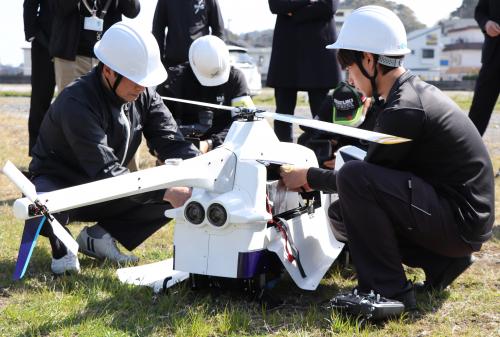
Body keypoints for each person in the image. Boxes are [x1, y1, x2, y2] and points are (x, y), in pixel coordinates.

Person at [280, 6, 495, 310]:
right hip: (461, 219)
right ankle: (442, 263)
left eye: (349, 68)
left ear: (369, 60)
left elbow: (364, 178)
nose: (350, 79)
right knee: (343, 212)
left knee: (354, 178)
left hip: (459, 221)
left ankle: (388, 290)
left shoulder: (403, 108)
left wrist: (309, 177)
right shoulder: (403, 95)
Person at [27, 22, 199, 275]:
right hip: (64, 186)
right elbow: (106, 171)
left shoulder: (145, 95)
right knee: (41, 206)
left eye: (146, 80)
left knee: (179, 191)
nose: (142, 87)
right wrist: (166, 190)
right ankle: (60, 240)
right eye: (136, 79)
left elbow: (172, 142)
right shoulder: (77, 102)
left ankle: (100, 237)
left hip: (107, 189)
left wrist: (201, 173)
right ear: (108, 70)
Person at [157, 35, 254, 153]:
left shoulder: (235, 79)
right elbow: (159, 125)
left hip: (226, 148)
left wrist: (212, 143)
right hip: (181, 149)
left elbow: (244, 120)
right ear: (193, 63)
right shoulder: (172, 82)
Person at [267, 0, 340, 142]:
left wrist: (294, 14)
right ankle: (281, 159)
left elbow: (329, 7)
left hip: (318, 51)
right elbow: (276, 5)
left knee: (322, 116)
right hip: (287, 49)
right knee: (283, 115)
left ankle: (322, 157)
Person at [49, 0, 140, 91]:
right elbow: (58, 7)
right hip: (71, 59)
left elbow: (133, 11)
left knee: (104, 104)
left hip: (106, 61)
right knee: (69, 103)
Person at [298, 81, 375, 169]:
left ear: (366, 103)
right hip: (336, 149)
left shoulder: (378, 111)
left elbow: (379, 152)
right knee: (304, 139)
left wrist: (347, 159)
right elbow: (314, 130)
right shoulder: (328, 104)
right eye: (343, 112)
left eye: (349, 112)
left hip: (361, 156)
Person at [23, 0, 56, 156]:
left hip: (74, 44)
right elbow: (30, 4)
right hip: (44, 43)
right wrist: (32, 35)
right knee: (39, 101)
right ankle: (36, 154)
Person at [152, 0, 224, 68]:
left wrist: (217, 60)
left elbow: (218, 30)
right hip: (173, 64)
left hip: (202, 65)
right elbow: (157, 30)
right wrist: (159, 61)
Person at [468, 0, 500, 136]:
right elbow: (479, 11)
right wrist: (486, 23)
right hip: (493, 55)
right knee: (479, 109)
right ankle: (466, 152)